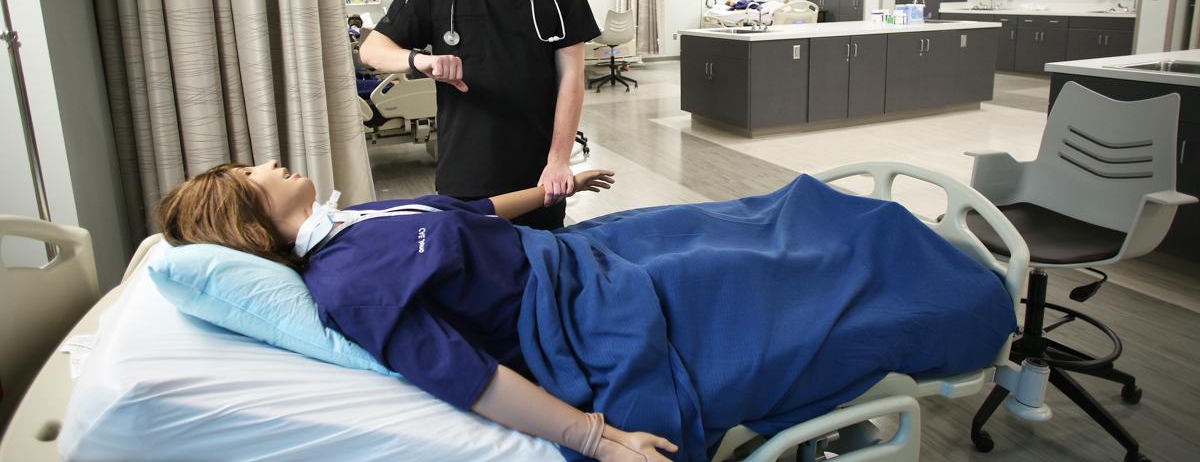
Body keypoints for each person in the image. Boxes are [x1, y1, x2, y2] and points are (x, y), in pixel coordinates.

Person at [156, 161, 1018, 461]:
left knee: (770, 216)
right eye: (256, 173)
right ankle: (971, 301)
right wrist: (597, 438)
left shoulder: (360, 220)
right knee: (786, 270)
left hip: (582, 255)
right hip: (579, 314)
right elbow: (465, 376)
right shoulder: (347, 285)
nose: (271, 161)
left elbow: (462, 217)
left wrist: (548, 189)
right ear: (249, 216)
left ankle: (905, 246)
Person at [358, 0, 600, 230]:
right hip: (465, 170)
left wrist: (558, 159)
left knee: (543, 269)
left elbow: (571, 76)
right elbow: (372, 48)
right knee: (474, 273)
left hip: (538, 168)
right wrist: (419, 61)